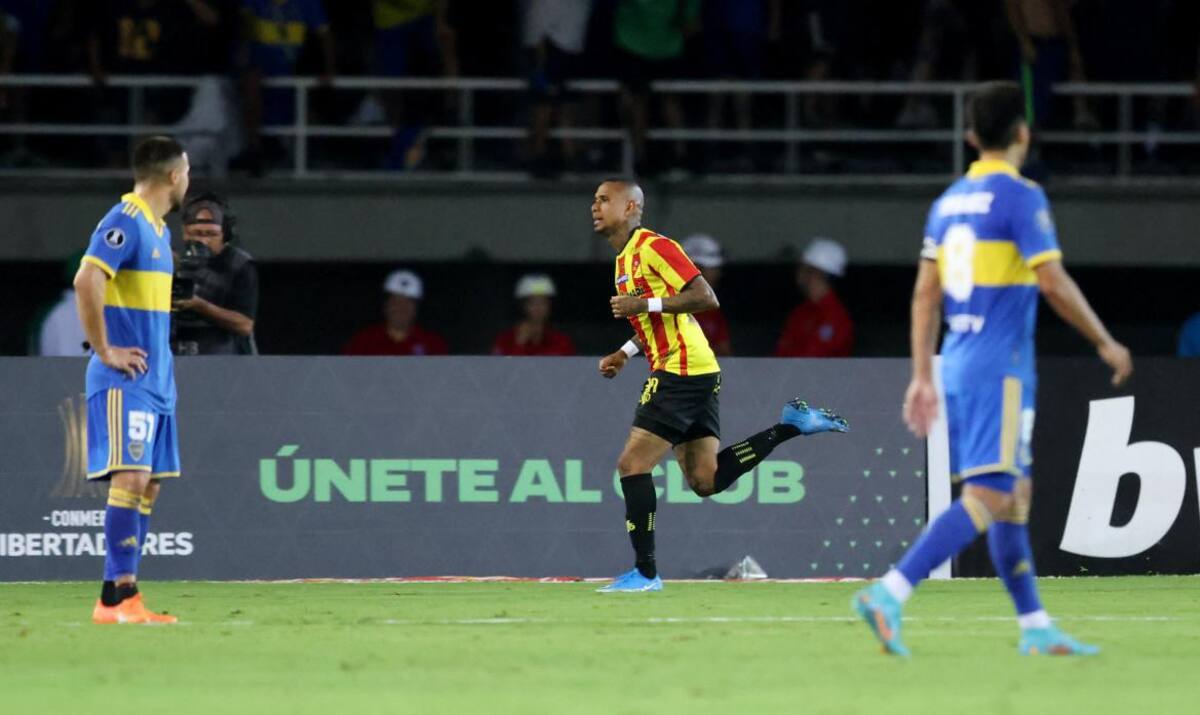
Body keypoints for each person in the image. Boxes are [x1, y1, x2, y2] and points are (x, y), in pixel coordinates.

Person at [852, 81, 1133, 657]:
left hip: (957, 359)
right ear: (1023, 132)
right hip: (998, 367)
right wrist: (1105, 341)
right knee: (992, 490)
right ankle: (890, 591)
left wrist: (922, 374)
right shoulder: (1020, 196)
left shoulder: (948, 200)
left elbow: (924, 295)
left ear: (970, 135)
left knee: (1014, 494)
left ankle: (1034, 627)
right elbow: (1052, 280)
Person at [591, 179, 849, 592]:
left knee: (632, 465)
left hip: (682, 369)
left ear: (630, 207)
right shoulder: (624, 261)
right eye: (595, 200)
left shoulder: (654, 247)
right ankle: (791, 426)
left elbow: (704, 296)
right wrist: (625, 352)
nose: (595, 206)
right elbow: (662, 320)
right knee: (705, 480)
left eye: (604, 199)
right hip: (694, 367)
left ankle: (646, 573)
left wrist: (645, 304)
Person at [74, 136, 190, 625]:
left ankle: (110, 599)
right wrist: (104, 350)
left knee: (150, 486)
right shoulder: (125, 221)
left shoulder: (160, 232)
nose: (189, 180)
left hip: (157, 380)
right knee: (133, 476)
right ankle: (126, 598)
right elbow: (87, 279)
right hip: (127, 378)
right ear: (171, 175)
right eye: (187, 171)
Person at [234, 0, 335, 174]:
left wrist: (330, 70)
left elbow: (325, 36)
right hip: (262, 67)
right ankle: (254, 149)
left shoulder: (307, 4)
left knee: (306, 108)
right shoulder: (253, 3)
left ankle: (316, 153)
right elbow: (243, 31)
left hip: (294, 68)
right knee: (251, 85)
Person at [613, 0, 699, 176]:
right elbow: (691, 25)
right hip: (655, 45)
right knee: (663, 102)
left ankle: (644, 155)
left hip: (641, 44)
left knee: (642, 102)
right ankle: (676, 154)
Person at [170, 192, 259, 355]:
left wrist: (198, 305)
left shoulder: (239, 265)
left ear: (225, 235)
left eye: (211, 234)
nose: (203, 241)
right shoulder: (170, 260)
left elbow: (245, 325)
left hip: (224, 356)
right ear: (184, 232)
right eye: (196, 233)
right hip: (176, 349)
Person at [521, 0, 592, 177]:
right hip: (550, 44)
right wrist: (539, 56)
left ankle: (568, 153)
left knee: (563, 104)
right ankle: (540, 153)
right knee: (544, 104)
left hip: (566, 42)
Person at [774, 238, 853, 357]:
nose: (799, 273)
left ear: (816, 272)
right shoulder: (801, 312)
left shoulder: (834, 318)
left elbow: (812, 361)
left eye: (804, 267)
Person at [343, 269, 448, 356]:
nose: (401, 308)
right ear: (386, 305)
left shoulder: (433, 344)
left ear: (416, 308)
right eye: (396, 301)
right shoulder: (363, 342)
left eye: (408, 303)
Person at [492, 273, 577, 357]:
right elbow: (499, 369)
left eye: (543, 302)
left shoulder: (562, 342)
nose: (538, 308)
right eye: (532, 303)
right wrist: (519, 344)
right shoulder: (505, 340)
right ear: (523, 306)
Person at [680, 234, 731, 355]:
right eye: (713, 269)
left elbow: (725, 355)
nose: (717, 275)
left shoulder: (711, 310)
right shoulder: (663, 307)